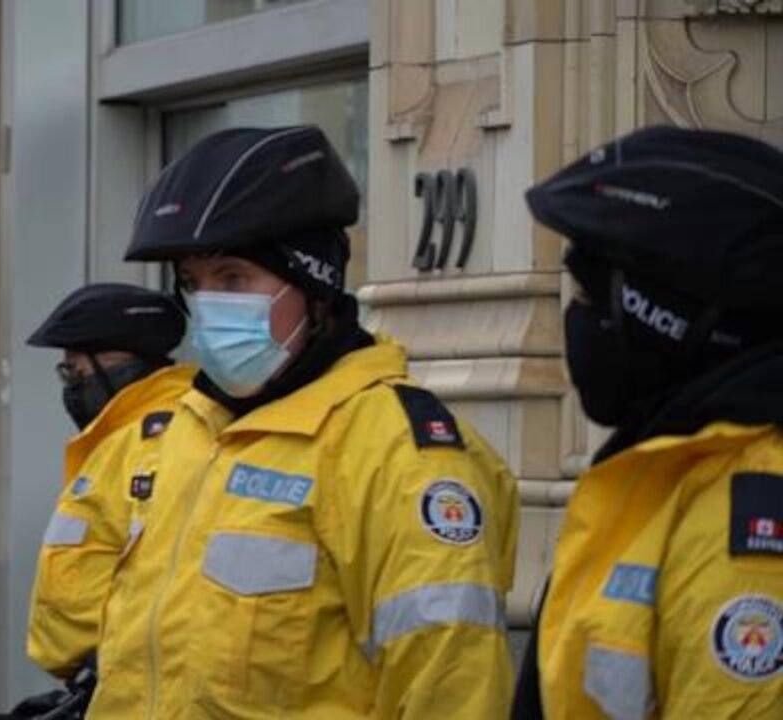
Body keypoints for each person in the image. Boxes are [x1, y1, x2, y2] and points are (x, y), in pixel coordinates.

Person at [87, 125, 520, 719]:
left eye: (234, 278)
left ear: (315, 285)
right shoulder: (188, 428)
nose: (208, 304)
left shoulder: (396, 451)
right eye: (194, 283)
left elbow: (449, 686)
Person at [514, 126, 783, 718]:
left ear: (674, 316)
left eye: (592, 297)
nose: (577, 323)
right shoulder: (658, 468)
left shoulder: (750, 520)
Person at [15, 283, 192, 715]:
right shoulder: (116, 439)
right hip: (100, 689)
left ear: (121, 361)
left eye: (75, 372)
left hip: (133, 688)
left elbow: (162, 570)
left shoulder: (159, 439)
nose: (71, 387)